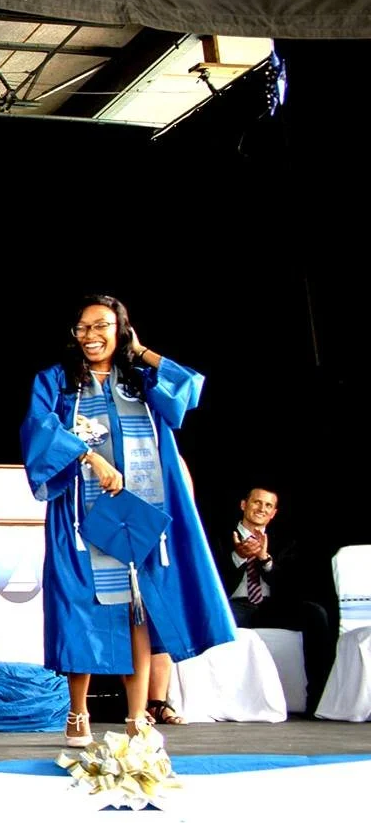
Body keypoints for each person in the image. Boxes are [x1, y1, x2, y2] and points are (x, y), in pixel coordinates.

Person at [21, 296, 234, 742]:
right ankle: (77, 711)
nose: (90, 336)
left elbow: (188, 387)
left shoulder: (140, 380)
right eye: (82, 327)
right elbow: (40, 433)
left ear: (122, 330)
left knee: (136, 608)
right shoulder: (57, 381)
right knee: (81, 607)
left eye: (101, 326)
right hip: (81, 515)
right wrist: (91, 459)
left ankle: (137, 715)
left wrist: (141, 353)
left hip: (137, 515)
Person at [218, 486, 333, 706]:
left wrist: (265, 559)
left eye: (268, 505)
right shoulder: (220, 537)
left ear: (273, 513)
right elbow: (212, 581)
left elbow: (291, 587)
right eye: (256, 502)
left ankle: (318, 699)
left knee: (315, 614)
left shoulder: (286, 542)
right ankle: (225, 702)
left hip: (271, 606)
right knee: (216, 618)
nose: (261, 508)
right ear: (244, 505)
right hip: (233, 604)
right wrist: (238, 557)